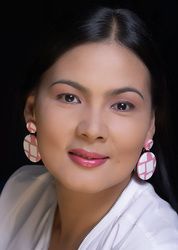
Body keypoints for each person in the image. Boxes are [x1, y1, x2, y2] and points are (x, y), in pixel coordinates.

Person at [0, 5, 178, 250]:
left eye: (122, 105)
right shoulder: (19, 195)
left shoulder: (155, 244)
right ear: (31, 109)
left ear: (150, 125)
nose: (92, 130)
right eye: (70, 98)